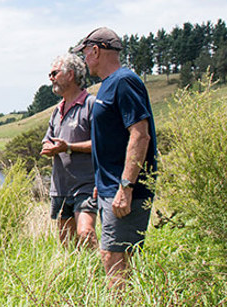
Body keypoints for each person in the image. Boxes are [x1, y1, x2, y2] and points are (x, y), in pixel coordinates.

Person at [73, 27, 158, 289]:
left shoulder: (124, 81)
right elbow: (112, 139)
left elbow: (140, 135)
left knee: (114, 258)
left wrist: (126, 186)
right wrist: (103, 180)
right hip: (110, 188)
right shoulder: (109, 84)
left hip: (123, 191)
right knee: (118, 258)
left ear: (96, 50)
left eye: (85, 52)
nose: (83, 59)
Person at [40, 54, 98, 249]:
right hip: (61, 187)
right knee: (67, 244)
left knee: (86, 233)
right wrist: (49, 147)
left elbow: (102, 143)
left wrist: (69, 147)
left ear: (70, 74)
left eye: (55, 73)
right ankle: (78, 278)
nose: (51, 78)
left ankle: (101, 273)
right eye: (50, 74)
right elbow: (47, 140)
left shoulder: (91, 105)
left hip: (86, 185)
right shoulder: (57, 110)